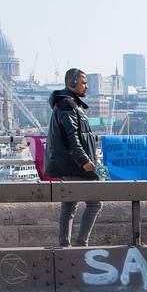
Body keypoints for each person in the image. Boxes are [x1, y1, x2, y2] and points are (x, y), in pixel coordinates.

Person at [45, 68, 104, 247]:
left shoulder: (71, 104)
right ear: (72, 83)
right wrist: (84, 160)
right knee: (95, 203)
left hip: (69, 164)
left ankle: (65, 244)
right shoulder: (67, 105)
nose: (86, 87)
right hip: (74, 165)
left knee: (69, 205)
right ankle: (81, 244)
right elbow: (72, 137)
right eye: (84, 83)